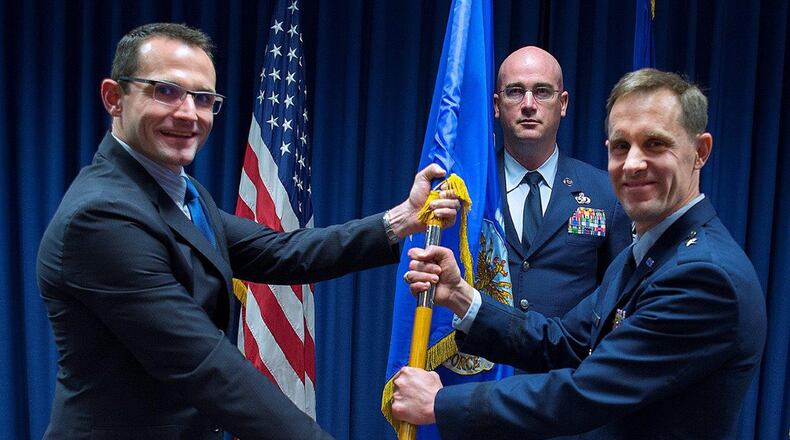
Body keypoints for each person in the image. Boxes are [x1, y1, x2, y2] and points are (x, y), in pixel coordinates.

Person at [36, 23, 458, 440]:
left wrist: (404, 218)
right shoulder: (102, 217)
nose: (188, 114)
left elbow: (281, 251)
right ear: (114, 97)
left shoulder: (177, 191)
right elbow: (205, 363)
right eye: (166, 91)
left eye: (203, 99)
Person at [392, 68, 766, 439]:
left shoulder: (702, 275)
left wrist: (441, 403)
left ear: (700, 152)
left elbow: (585, 392)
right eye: (621, 146)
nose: (633, 164)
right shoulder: (647, 255)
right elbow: (563, 342)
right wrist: (461, 296)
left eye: (655, 144)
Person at [493, 47, 630, 318]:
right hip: (484, 346)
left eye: (542, 91)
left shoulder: (605, 194)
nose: (529, 104)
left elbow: (618, 299)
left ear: (563, 103)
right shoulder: (469, 190)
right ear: (497, 105)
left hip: (569, 346)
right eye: (515, 91)